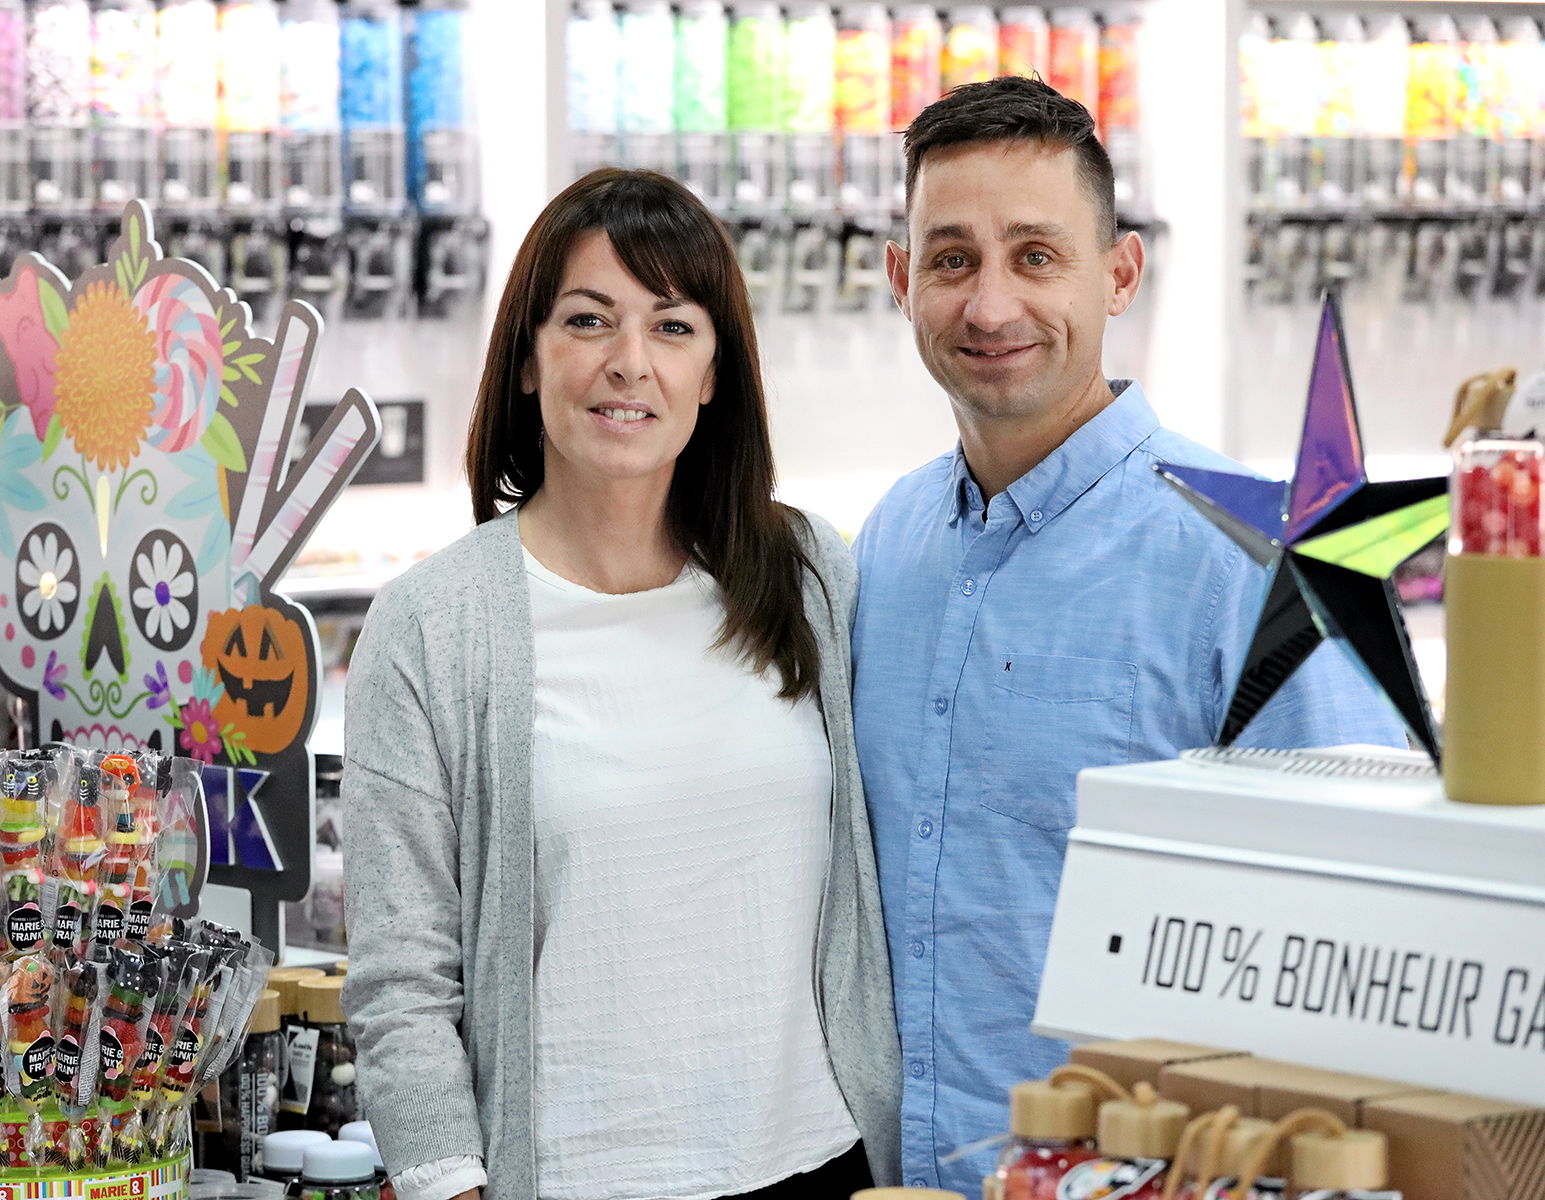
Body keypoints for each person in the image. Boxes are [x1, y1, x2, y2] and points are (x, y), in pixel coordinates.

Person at [852, 77, 1409, 1192]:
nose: (991, 306)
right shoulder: (889, 542)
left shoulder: (1261, 560)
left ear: (1118, 274)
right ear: (903, 280)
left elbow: (1363, 942)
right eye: (953, 260)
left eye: (1037, 256)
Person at [341, 168, 901, 1200]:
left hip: (817, 1162)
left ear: (715, 373)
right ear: (527, 358)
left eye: (673, 327)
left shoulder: (810, 574)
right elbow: (401, 979)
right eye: (588, 320)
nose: (629, 362)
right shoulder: (433, 625)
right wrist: (446, 1181)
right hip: (567, 1178)